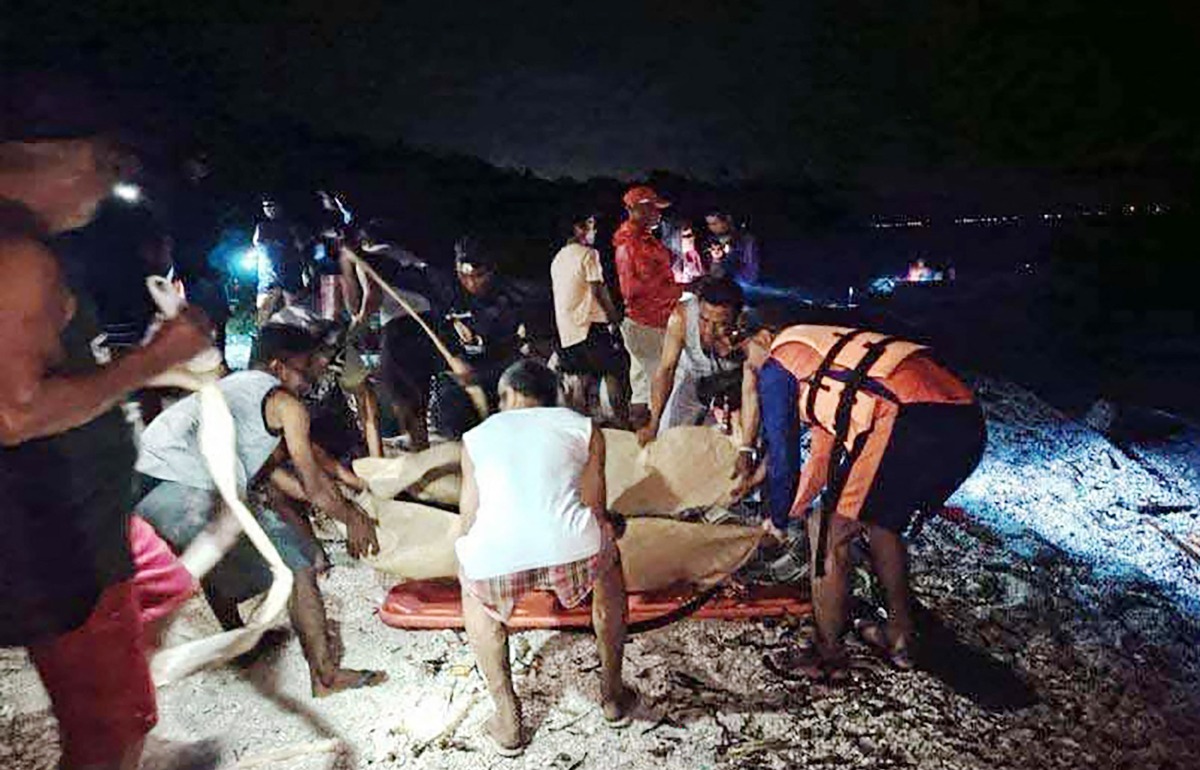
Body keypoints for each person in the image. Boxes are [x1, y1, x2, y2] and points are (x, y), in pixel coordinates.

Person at [0, 77, 214, 770]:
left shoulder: (32, 244)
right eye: (106, 162)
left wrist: (151, 365)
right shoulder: (17, 258)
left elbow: (54, 367)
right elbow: (15, 412)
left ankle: (119, 704)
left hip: (96, 515)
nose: (109, 184)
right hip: (53, 535)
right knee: (110, 731)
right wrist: (157, 356)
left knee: (167, 585)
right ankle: (116, 732)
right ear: (54, 154)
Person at [134, 324, 388, 697]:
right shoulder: (285, 404)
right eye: (305, 369)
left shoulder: (234, 390)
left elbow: (278, 480)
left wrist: (341, 500)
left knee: (226, 538)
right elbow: (314, 485)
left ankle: (239, 643)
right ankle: (326, 677)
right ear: (278, 367)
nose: (312, 379)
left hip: (143, 485)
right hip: (185, 487)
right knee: (297, 564)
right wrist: (354, 518)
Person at [739, 319, 986, 680]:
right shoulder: (826, 360)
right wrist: (788, 510)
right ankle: (900, 638)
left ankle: (828, 656)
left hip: (908, 417)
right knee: (881, 523)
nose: (753, 371)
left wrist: (775, 521)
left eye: (748, 358)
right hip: (965, 419)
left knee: (827, 532)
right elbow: (821, 460)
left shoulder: (778, 363)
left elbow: (782, 454)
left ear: (764, 337)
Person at [456, 360, 634, 756]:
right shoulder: (583, 428)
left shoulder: (475, 437)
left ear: (506, 397)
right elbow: (595, 509)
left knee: (473, 581)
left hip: (498, 554)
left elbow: (469, 519)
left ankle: (508, 720)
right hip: (571, 548)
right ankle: (613, 697)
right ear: (551, 395)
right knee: (607, 561)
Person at [638, 276, 745, 443]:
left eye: (720, 323)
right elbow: (666, 370)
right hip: (692, 380)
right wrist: (654, 423)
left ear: (736, 319)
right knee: (669, 438)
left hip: (732, 387)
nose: (709, 330)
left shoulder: (750, 334)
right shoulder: (681, 318)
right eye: (704, 320)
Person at [270, 306, 383, 459]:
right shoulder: (274, 375)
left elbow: (367, 407)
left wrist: (378, 463)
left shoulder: (339, 353)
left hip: (335, 422)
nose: (324, 360)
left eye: (326, 350)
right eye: (316, 353)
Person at [550, 212, 629, 424]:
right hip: (589, 328)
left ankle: (579, 429)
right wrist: (614, 317)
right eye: (591, 225)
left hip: (566, 333)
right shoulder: (588, 254)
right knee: (615, 370)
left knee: (579, 381)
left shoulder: (558, 258)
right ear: (578, 228)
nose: (595, 230)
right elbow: (598, 290)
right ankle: (622, 424)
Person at [613, 185, 681, 428]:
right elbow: (637, 290)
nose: (658, 213)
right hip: (650, 323)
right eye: (654, 208)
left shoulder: (637, 239)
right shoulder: (633, 244)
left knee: (641, 386)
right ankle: (658, 437)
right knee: (662, 384)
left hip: (638, 321)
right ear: (640, 209)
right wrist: (683, 292)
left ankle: (637, 438)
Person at [253, 195, 307, 325]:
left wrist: (305, 270)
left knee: (293, 312)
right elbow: (256, 244)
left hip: (289, 273)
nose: (268, 209)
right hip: (268, 275)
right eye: (265, 206)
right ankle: (263, 339)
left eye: (271, 205)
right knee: (264, 312)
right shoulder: (261, 226)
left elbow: (301, 247)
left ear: (279, 206)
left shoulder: (291, 226)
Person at [703, 210, 760, 285]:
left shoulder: (747, 241)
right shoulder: (710, 241)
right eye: (709, 224)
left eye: (715, 223)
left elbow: (750, 276)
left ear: (727, 220)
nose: (712, 227)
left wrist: (729, 257)